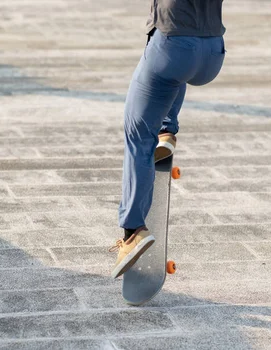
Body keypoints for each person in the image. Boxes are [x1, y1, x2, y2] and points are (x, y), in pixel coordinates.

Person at [110, 0, 226, 278]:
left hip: (174, 46)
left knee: (138, 136)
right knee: (173, 75)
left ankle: (132, 232)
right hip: (213, 52)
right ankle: (166, 131)